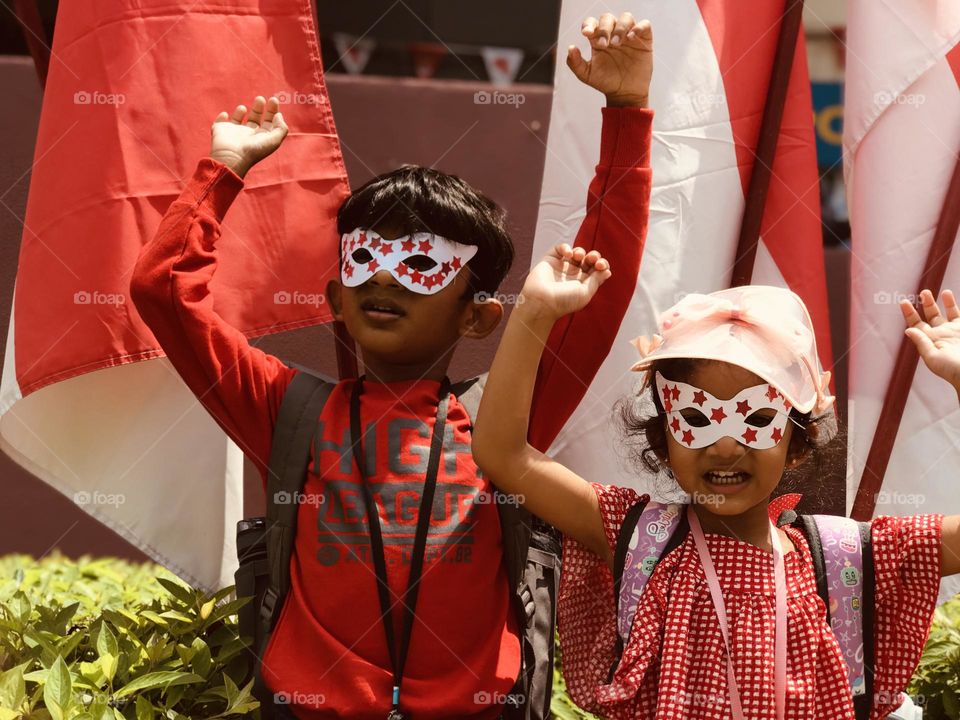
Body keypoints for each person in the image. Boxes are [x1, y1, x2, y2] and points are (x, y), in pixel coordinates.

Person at [130, 12, 655, 719]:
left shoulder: (503, 418)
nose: (386, 279)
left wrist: (626, 113)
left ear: (477, 316)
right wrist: (223, 170)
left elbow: (600, 286)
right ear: (336, 300)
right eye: (366, 260)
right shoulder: (286, 409)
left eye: (420, 264)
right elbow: (162, 293)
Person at [472, 243, 960, 719]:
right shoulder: (634, 533)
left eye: (757, 418)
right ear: (663, 440)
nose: (725, 446)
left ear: (798, 442)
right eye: (697, 418)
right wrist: (533, 311)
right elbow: (504, 453)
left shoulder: (844, 558)